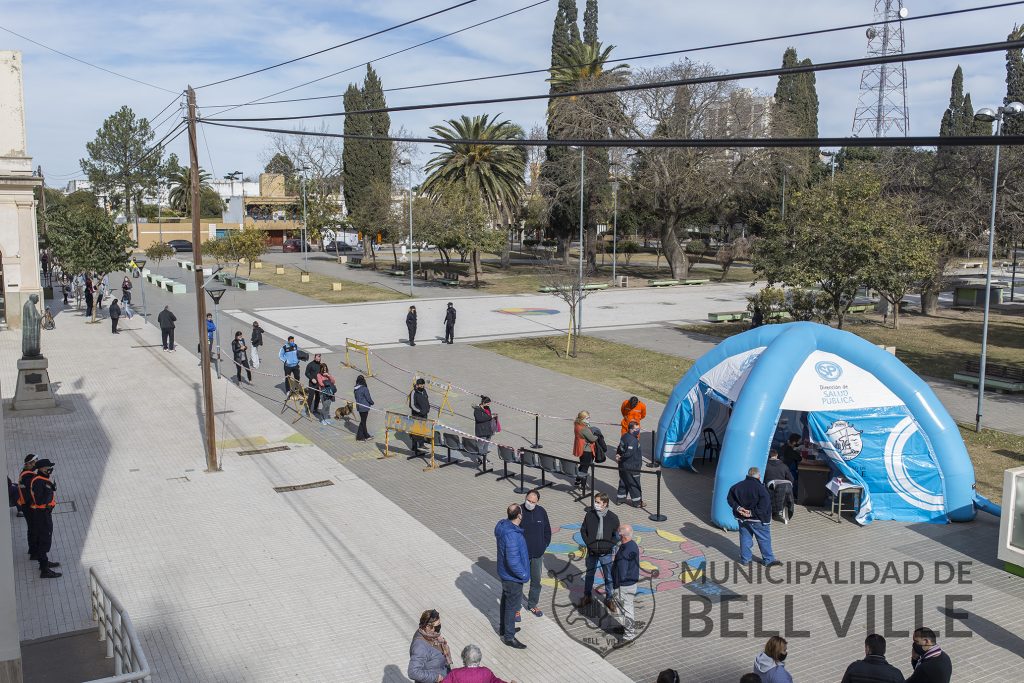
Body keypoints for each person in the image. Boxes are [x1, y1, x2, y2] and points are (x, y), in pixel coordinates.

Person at [727, 467, 779, 567]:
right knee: (764, 539)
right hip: (758, 519)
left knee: (745, 538)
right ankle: (768, 560)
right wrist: (751, 513)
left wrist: (738, 508)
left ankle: (745, 559)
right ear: (759, 476)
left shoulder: (736, 486)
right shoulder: (761, 489)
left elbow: (729, 498)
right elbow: (764, 506)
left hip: (742, 519)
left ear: (748, 474)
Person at [495, 504, 529, 649]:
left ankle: (505, 628)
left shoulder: (503, 526)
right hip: (512, 577)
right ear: (519, 516)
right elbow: (513, 560)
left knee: (505, 601)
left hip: (505, 573)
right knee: (511, 606)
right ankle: (509, 637)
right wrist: (524, 574)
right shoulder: (512, 535)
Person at [579, 492, 620, 611]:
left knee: (608, 576)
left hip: (606, 553)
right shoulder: (589, 515)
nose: (595, 504)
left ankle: (609, 599)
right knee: (589, 575)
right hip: (592, 552)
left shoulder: (613, 518)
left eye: (598, 502)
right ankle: (587, 596)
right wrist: (589, 544)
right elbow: (583, 531)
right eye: (595, 501)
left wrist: (608, 546)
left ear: (605, 504)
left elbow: (616, 536)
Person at [519, 489, 550, 621]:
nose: (530, 503)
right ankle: (515, 609)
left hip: (537, 555)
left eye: (533, 502)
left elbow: (547, 530)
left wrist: (543, 545)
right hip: (522, 556)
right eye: (528, 500)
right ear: (525, 498)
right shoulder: (518, 511)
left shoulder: (541, 511)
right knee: (518, 582)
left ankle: (532, 604)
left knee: (536, 582)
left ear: (537, 502)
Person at [30, 459, 61, 578]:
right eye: (49, 467)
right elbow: (39, 500)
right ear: (42, 468)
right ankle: (44, 570)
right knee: (44, 539)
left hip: (44, 513)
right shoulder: (39, 482)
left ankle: (44, 562)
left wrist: (49, 487)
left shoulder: (42, 479)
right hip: (42, 514)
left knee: (43, 538)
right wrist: (49, 489)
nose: (50, 469)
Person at [611, 523, 640, 641]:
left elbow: (622, 572)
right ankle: (627, 628)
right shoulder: (632, 545)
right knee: (626, 608)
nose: (617, 534)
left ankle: (629, 636)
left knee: (626, 610)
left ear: (622, 535)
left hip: (624, 585)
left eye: (618, 532)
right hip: (631, 583)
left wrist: (616, 584)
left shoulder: (624, 552)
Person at [407, 609, 452, 683]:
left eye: (439, 626)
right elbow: (413, 672)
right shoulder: (420, 646)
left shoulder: (429, 635)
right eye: (437, 627)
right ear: (427, 626)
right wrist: (436, 678)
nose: (438, 629)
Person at [442, 644, 517, 683]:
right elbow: (496, 682)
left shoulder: (455, 673)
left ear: (464, 657)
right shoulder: (486, 672)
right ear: (479, 658)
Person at [615, 420, 644, 507]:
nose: (638, 430)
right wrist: (621, 457)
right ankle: (637, 502)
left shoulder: (624, 436)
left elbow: (620, 447)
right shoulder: (633, 441)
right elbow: (629, 453)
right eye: (636, 429)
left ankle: (620, 499)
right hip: (632, 466)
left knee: (623, 481)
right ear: (631, 429)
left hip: (623, 465)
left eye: (638, 428)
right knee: (634, 483)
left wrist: (618, 454)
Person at [764, 450, 794, 522]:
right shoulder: (784, 466)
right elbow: (791, 479)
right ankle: (785, 514)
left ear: (769, 456)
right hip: (785, 486)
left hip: (771, 487)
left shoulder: (765, 465)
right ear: (777, 455)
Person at [572, 411, 599, 490]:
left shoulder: (577, 425)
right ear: (582, 419)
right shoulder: (583, 428)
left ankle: (577, 482)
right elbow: (592, 439)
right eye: (587, 418)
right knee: (585, 469)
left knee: (582, 466)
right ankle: (582, 486)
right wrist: (597, 436)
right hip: (587, 451)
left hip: (581, 450)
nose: (589, 419)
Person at [16, 454, 37, 555]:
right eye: (34, 462)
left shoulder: (25, 473)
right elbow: (30, 492)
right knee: (33, 528)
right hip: (29, 507)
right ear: (28, 463)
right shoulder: (27, 476)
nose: (35, 464)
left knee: (31, 528)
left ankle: (32, 550)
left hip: (25, 505)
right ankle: (33, 552)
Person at [409, 378, 431, 455]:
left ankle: (420, 445)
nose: (422, 386)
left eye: (423, 385)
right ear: (417, 385)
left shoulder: (424, 391)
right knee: (416, 430)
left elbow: (426, 399)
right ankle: (416, 446)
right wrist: (420, 411)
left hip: (424, 414)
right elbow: (412, 405)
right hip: (417, 415)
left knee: (422, 429)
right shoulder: (413, 392)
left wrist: (428, 408)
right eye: (421, 385)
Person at [354, 375, 374, 440]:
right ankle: (361, 436)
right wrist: (372, 402)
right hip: (364, 408)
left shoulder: (355, 389)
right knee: (363, 422)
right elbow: (368, 398)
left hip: (359, 408)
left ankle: (365, 435)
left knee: (363, 421)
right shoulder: (364, 388)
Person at [305, 353, 324, 417]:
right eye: (318, 357)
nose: (319, 358)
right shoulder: (310, 364)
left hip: (319, 384)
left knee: (318, 397)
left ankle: (315, 409)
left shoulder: (321, 365)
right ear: (314, 357)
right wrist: (311, 378)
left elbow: (322, 373)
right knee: (310, 397)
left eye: (319, 357)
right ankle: (308, 409)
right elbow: (306, 373)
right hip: (312, 384)